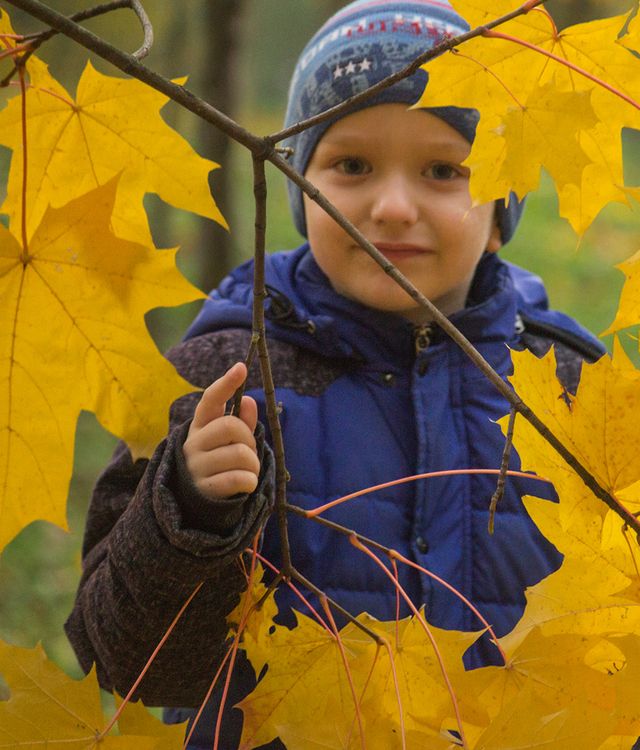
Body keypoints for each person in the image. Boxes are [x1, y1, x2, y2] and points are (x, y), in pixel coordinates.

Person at [65, 1, 606, 748]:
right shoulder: (226, 377)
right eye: (352, 166)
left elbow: (638, 662)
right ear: (298, 183)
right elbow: (130, 662)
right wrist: (189, 515)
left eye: (443, 170)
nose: (392, 207)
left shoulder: (573, 384)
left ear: (500, 209)